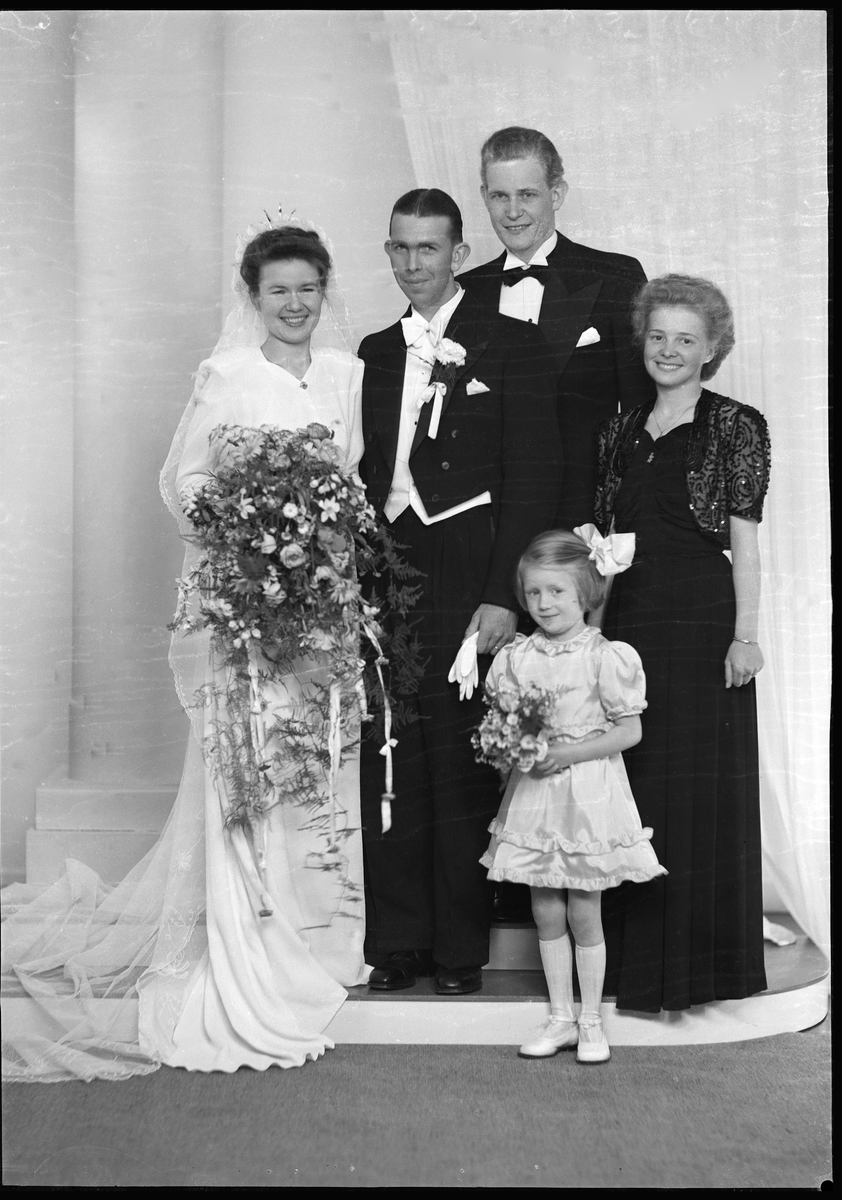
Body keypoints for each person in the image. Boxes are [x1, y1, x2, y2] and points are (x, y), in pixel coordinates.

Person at [1, 222, 370, 1081]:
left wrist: (320, 544)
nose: (293, 304)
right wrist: (253, 530)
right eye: (277, 290)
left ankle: (324, 943)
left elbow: (355, 485)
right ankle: (255, 946)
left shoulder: (348, 376)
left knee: (320, 767)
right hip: (253, 606)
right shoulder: (228, 376)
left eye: (306, 288)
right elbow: (185, 483)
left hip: (324, 607)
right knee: (255, 765)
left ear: (325, 290)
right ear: (253, 297)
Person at [357, 188, 560, 996]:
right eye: (400, 248)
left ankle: (457, 949)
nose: (413, 264)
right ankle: (397, 941)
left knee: (457, 752)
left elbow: (534, 476)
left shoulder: (510, 342)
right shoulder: (375, 350)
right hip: (388, 561)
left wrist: (502, 593)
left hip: (467, 559)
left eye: (429, 248)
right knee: (390, 747)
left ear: (459, 254)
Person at [461, 125, 655, 925]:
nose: (513, 210)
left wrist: (609, 535)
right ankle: (515, 903)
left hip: (586, 539)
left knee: (585, 710)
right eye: (498, 195)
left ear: (558, 193)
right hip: (496, 538)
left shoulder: (613, 278)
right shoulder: (466, 293)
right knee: (509, 707)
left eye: (528, 194)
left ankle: (599, 909)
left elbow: (637, 415)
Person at [596, 274, 771, 1013]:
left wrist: (745, 637)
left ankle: (698, 972)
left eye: (686, 339)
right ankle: (631, 970)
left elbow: (745, 546)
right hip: (631, 622)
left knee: (697, 790)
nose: (668, 350)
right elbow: (605, 544)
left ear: (711, 349)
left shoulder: (737, 424)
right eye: (658, 335)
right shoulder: (620, 427)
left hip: (703, 623)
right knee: (630, 784)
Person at [479, 530, 666, 1063]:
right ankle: (560, 1017)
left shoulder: (605, 656)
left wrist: (564, 754)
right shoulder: (517, 656)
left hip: (587, 797)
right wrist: (516, 750)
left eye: (557, 591)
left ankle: (590, 1021)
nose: (544, 603)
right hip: (537, 797)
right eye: (534, 592)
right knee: (545, 910)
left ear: (586, 592)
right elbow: (507, 725)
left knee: (584, 912)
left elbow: (629, 731)